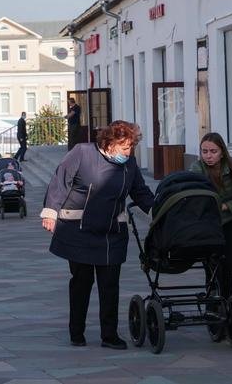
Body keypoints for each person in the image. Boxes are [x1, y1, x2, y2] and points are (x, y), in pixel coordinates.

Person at [41, 120, 154, 350]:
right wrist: (51, 212)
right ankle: (76, 332)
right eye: (124, 146)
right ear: (110, 142)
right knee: (82, 282)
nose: (128, 152)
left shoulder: (129, 163)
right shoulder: (82, 153)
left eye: (131, 147)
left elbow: (140, 191)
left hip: (111, 233)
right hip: (78, 230)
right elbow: (60, 181)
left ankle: (109, 335)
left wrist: (159, 211)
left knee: (110, 285)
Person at [189, 132, 232, 298]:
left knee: (227, 265)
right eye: (204, 151)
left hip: (228, 222)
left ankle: (226, 302)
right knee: (211, 265)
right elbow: (194, 197)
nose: (208, 156)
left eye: (213, 151)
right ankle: (212, 301)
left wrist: (226, 206)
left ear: (222, 151)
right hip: (207, 225)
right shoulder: (197, 168)